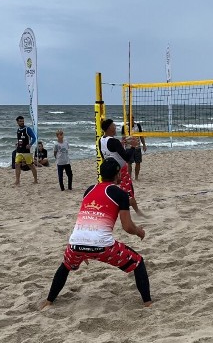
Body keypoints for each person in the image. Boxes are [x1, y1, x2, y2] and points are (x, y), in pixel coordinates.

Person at [40, 158, 152, 310]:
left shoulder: (89, 189)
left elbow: (87, 217)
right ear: (117, 174)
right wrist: (140, 231)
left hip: (75, 243)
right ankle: (148, 303)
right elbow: (127, 227)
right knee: (138, 263)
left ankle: (49, 301)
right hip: (102, 246)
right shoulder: (120, 194)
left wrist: (84, 252)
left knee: (65, 266)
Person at [99, 118, 143, 215]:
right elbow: (127, 157)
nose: (115, 127)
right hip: (119, 171)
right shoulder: (114, 142)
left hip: (108, 170)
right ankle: (138, 212)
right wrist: (133, 146)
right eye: (114, 126)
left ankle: (109, 211)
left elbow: (105, 154)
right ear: (110, 128)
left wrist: (121, 144)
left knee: (110, 190)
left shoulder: (101, 140)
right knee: (129, 193)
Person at [13, 115, 37, 185]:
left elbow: (34, 137)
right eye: (20, 121)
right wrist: (17, 143)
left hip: (27, 151)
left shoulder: (27, 129)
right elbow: (20, 139)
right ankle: (17, 181)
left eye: (23, 121)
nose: (22, 122)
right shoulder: (18, 130)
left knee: (31, 165)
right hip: (19, 150)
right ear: (17, 122)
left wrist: (30, 144)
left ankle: (35, 180)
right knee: (17, 165)